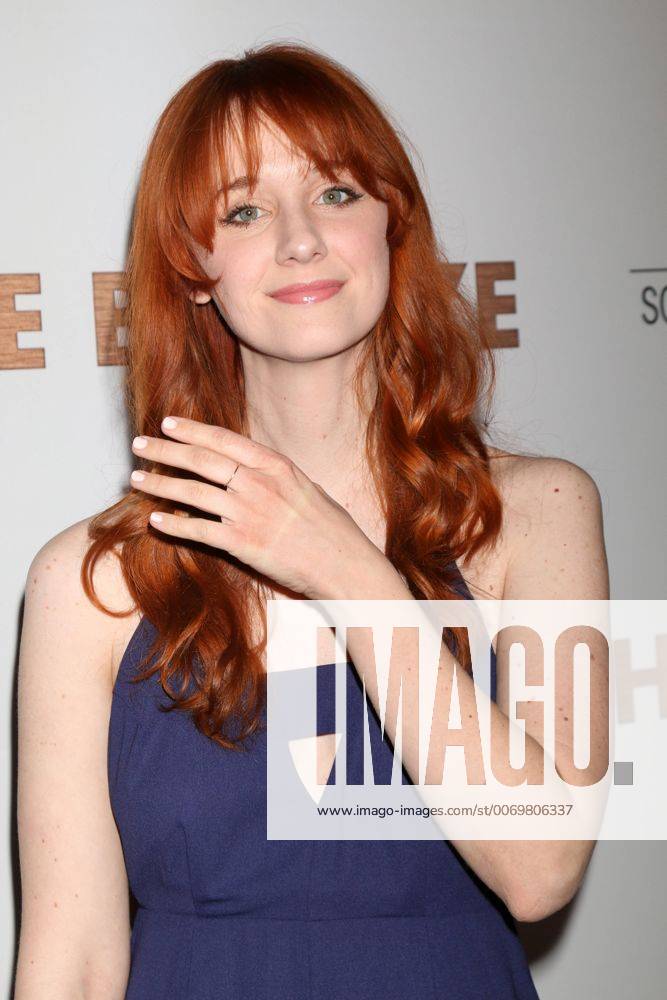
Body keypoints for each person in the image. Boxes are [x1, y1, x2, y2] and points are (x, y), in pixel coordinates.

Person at [14, 41, 609, 999]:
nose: (299, 240)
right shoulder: (88, 580)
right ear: (194, 267)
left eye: (335, 193)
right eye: (244, 210)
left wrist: (347, 570)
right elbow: (72, 958)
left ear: (390, 223)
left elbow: (543, 869)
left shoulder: (541, 511)